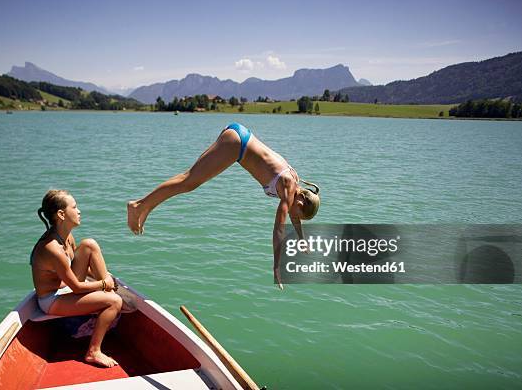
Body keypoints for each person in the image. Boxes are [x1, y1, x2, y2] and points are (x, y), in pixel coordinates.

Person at [127, 122, 320, 289]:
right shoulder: (288, 186)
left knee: (189, 180)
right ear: (301, 201)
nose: (294, 217)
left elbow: (294, 217)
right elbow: (279, 229)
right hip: (238, 145)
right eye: (299, 214)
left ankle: (145, 207)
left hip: (239, 139)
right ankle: (138, 206)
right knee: (189, 181)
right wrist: (277, 266)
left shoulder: (296, 191)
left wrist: (302, 241)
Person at [30, 189, 122, 367]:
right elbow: (77, 288)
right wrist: (103, 283)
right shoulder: (52, 248)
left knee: (89, 244)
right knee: (115, 302)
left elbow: (73, 269)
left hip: (63, 287)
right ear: (61, 214)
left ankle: (108, 295)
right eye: (75, 207)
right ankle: (93, 352)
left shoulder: (66, 237)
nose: (79, 211)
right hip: (50, 300)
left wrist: (104, 279)